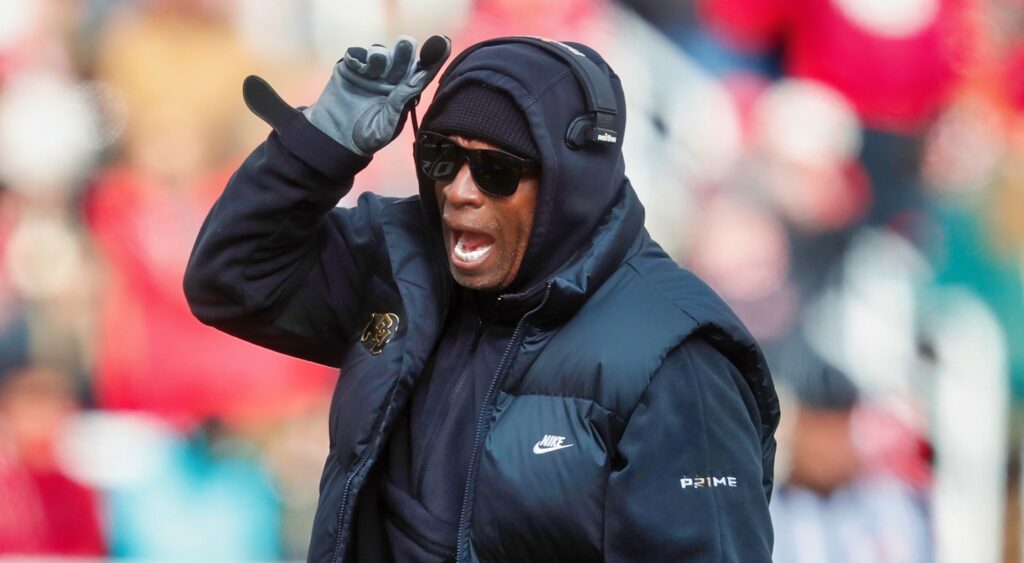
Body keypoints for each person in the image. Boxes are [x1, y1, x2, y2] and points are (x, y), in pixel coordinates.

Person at [184, 34, 779, 563]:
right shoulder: (404, 260)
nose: (459, 191)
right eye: (442, 157)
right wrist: (321, 145)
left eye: (496, 169)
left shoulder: (680, 362)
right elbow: (231, 279)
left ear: (571, 183)